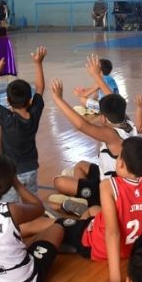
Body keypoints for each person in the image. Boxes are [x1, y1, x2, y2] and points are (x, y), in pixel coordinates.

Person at [56, 136, 142, 282]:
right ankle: (80, 213)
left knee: (57, 226)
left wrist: (114, 279)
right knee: (93, 210)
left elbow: (112, 233)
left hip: (95, 244)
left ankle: (70, 216)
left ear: (120, 163)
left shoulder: (108, 186)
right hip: (133, 245)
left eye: (119, 156)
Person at [50, 74, 136, 211]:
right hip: (111, 176)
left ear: (103, 118)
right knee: (80, 165)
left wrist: (58, 99)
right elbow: (113, 98)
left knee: (58, 182)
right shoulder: (128, 122)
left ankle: (89, 201)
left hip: (110, 188)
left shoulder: (111, 135)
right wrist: (96, 74)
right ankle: (84, 194)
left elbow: (82, 125)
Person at [0, 47, 47, 203]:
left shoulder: (8, 119)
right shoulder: (34, 113)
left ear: (9, 101)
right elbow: (40, 88)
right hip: (31, 168)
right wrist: (38, 63)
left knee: (10, 206)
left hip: (10, 172)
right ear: (29, 99)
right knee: (31, 203)